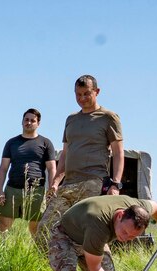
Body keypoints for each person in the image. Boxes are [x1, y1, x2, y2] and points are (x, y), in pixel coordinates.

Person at [39, 75, 124, 236]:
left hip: (94, 182)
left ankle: (100, 262)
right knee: (45, 229)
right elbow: (65, 153)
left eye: (86, 94)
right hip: (68, 184)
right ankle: (63, 261)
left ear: (97, 92)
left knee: (88, 234)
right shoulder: (71, 119)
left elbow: (119, 153)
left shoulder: (108, 117)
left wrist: (115, 184)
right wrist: (56, 181)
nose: (82, 98)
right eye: (78, 94)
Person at [0, 109, 57, 235]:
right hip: (13, 188)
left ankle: (36, 254)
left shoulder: (46, 143)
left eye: (32, 120)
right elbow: (3, 168)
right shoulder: (11, 143)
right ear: (22, 121)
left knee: (36, 228)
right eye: (26, 120)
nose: (29, 123)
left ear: (38, 123)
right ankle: (1, 253)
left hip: (36, 190)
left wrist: (52, 188)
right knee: (3, 226)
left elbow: (51, 168)